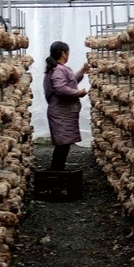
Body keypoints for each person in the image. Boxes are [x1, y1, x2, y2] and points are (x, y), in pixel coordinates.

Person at [43, 41, 89, 171]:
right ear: (63, 53)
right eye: (68, 52)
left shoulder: (59, 69)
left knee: (64, 144)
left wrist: (82, 72)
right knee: (62, 145)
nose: (69, 55)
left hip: (63, 112)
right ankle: (57, 172)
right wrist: (78, 93)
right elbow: (60, 88)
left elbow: (69, 81)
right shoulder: (58, 69)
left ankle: (58, 170)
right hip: (61, 112)